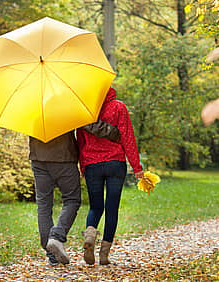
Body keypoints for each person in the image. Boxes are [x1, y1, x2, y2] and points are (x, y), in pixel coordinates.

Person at [29, 120, 120, 266]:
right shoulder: (65, 102)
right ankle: (56, 237)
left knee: (44, 206)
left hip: (38, 159)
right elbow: (88, 124)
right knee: (72, 200)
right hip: (63, 158)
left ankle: (52, 255)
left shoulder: (31, 104)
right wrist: (115, 133)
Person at [77, 87, 144, 265]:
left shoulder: (84, 112)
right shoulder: (118, 107)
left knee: (95, 207)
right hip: (115, 164)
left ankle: (90, 235)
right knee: (111, 208)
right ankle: (104, 255)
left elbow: (80, 143)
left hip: (92, 164)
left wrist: (83, 167)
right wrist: (137, 167)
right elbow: (127, 138)